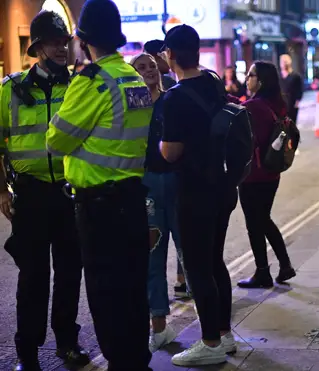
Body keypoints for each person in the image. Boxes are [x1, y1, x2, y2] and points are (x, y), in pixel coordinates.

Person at [45, 0, 154, 369]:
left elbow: (56, 140)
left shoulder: (91, 81)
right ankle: (137, 360)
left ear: (83, 39)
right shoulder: (132, 77)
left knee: (107, 296)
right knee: (133, 293)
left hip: (100, 208)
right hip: (131, 201)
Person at [0, 10, 90, 371]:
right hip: (31, 196)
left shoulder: (79, 87)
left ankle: (67, 344)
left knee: (70, 274)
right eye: (53, 42)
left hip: (71, 195)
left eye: (64, 42)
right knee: (33, 277)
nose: (60, 48)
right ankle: (28, 353)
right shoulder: (11, 89)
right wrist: (3, 193)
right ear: (37, 47)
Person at [159, 24, 251, 366]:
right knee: (214, 261)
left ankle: (210, 342)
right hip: (224, 187)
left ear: (169, 55)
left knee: (197, 266)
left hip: (194, 192)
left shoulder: (174, 98)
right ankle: (224, 334)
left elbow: (170, 152)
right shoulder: (213, 82)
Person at [130, 53, 182, 352]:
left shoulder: (171, 100)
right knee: (153, 258)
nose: (149, 70)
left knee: (189, 255)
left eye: (152, 65)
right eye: (141, 67)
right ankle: (159, 327)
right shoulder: (130, 107)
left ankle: (211, 329)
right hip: (147, 186)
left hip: (177, 184)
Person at [237, 61, 296, 288]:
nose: (247, 79)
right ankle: (284, 264)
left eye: (250, 75)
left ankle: (263, 272)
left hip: (254, 175)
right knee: (263, 219)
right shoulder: (276, 104)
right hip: (271, 173)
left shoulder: (254, 107)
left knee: (255, 223)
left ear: (259, 81)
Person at [279, 54, 303, 124]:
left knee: (291, 124)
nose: (283, 63)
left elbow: (299, 90)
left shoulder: (295, 76)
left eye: (285, 61)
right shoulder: (278, 76)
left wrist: (297, 102)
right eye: (282, 62)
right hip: (280, 104)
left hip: (292, 103)